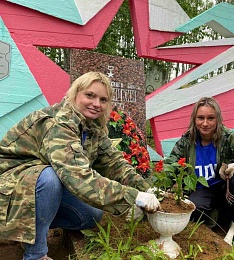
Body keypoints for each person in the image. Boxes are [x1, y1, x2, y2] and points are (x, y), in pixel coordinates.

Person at [0, 72, 160, 260]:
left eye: (103, 99)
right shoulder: (58, 123)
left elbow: (114, 163)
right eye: (90, 95)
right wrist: (133, 197)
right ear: (75, 94)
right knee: (50, 178)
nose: (96, 104)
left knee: (90, 215)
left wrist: (146, 188)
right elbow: (77, 176)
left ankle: (27, 230)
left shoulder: (92, 128)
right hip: (10, 188)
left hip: (33, 191)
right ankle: (36, 254)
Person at [164, 97, 234, 245]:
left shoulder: (231, 140)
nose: (205, 123)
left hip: (225, 188)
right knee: (194, 212)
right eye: (201, 118)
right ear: (194, 119)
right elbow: (171, 164)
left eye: (211, 118)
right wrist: (156, 186)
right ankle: (218, 216)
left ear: (218, 119)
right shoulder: (187, 141)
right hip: (202, 189)